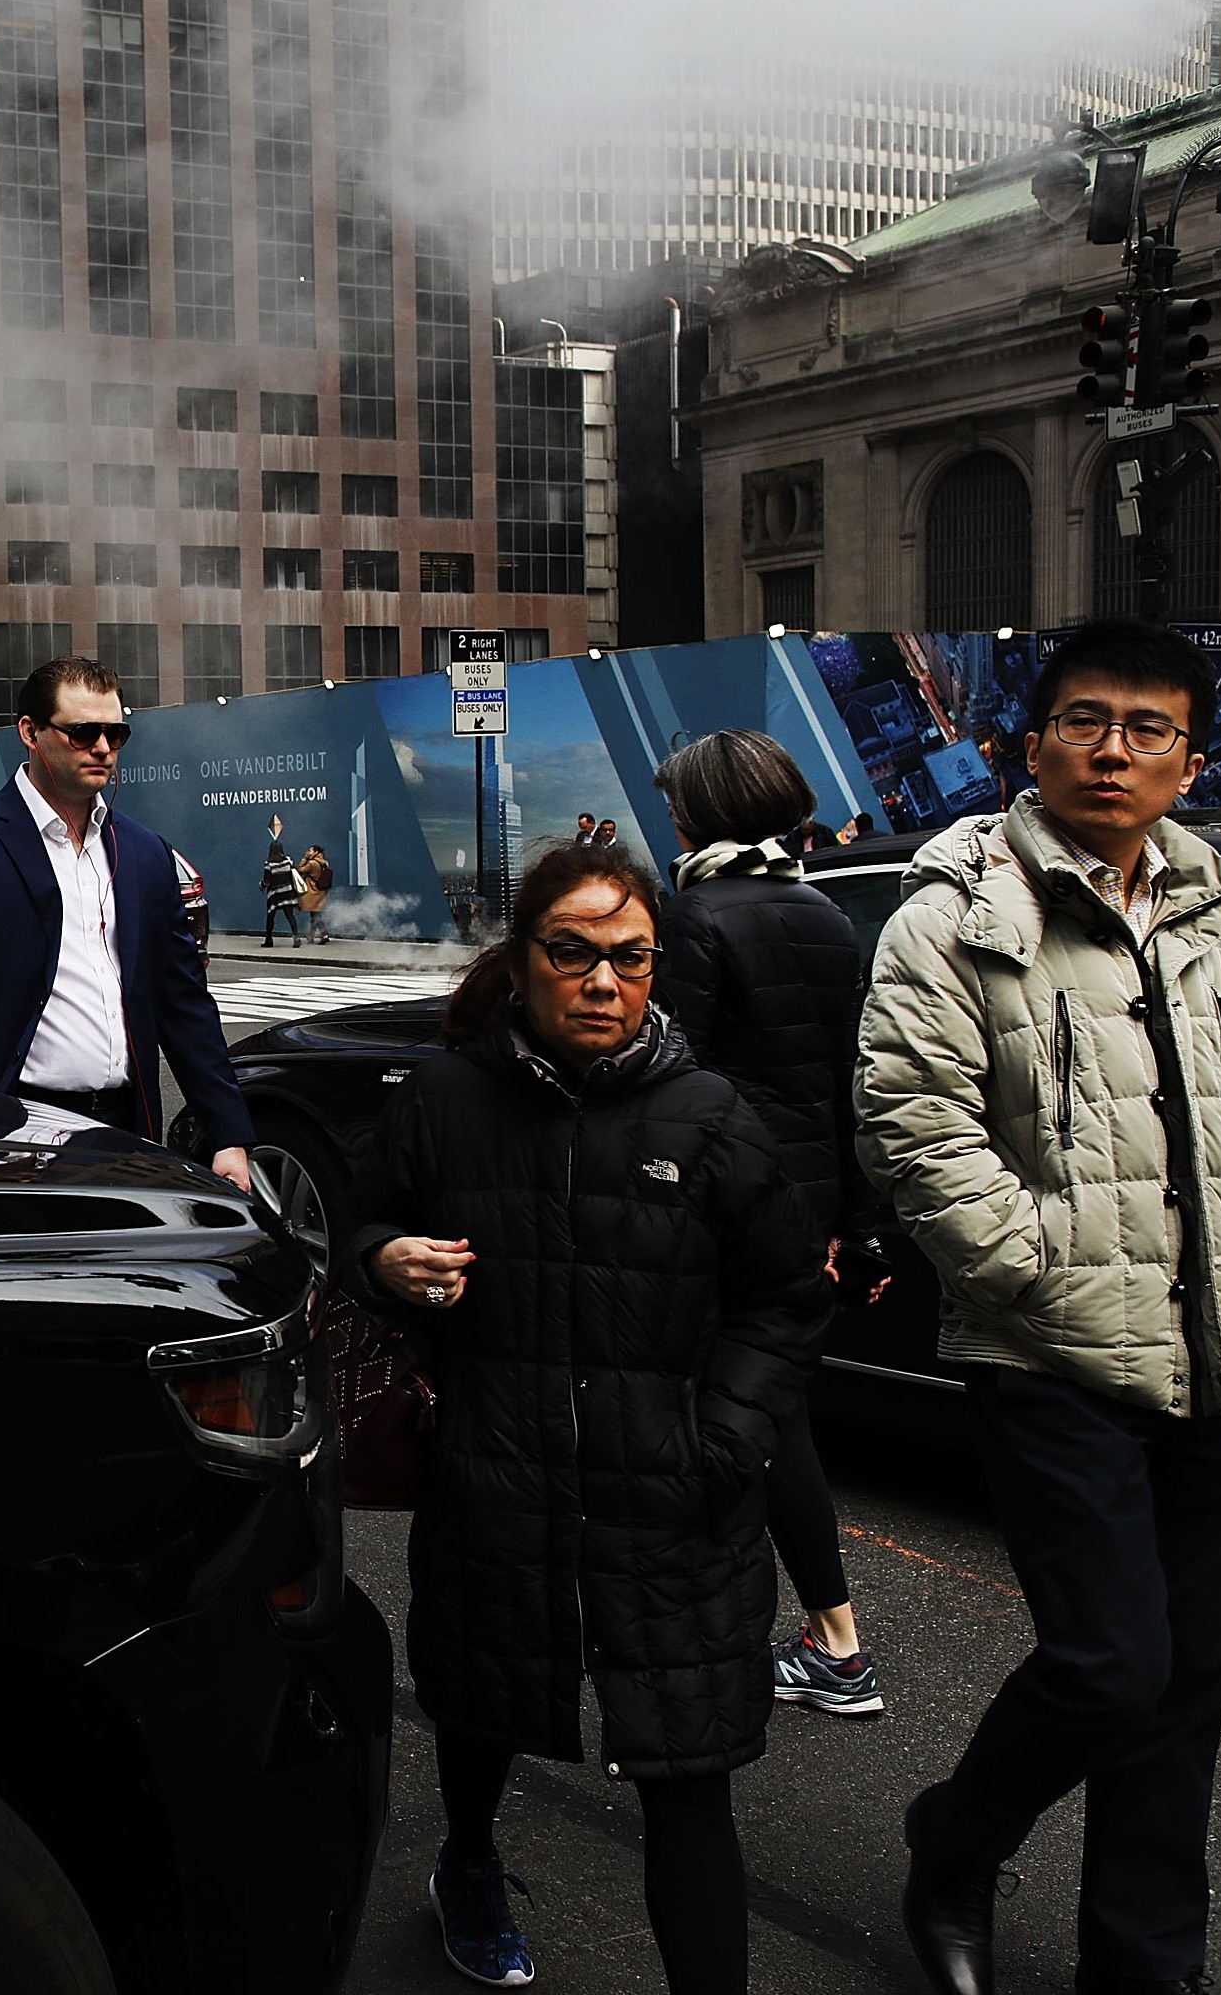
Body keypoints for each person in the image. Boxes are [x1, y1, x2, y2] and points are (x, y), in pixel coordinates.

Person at [346, 840, 829, 1995]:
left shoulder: (710, 1116)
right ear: (522, 963)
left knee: (688, 1771)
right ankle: (467, 1861)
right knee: (479, 1706)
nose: (603, 981)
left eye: (631, 958)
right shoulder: (445, 1099)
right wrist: (384, 1257)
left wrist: (726, 1436)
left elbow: (783, 1298)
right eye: (573, 953)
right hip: (495, 1479)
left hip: (673, 1500)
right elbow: (354, 1227)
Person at [858, 620, 1221, 1995]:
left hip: (1211, 1348)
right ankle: (951, 1842)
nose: (1112, 747)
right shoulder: (950, 912)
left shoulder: (1213, 913)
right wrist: (1035, 1273)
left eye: (1147, 728)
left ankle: (1139, 1973)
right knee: (1108, 1666)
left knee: (1187, 1688)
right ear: (1030, 745)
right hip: (1053, 1350)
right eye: (1085, 718)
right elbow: (911, 1125)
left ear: (1184, 762)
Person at [653, 729, 884, 1719]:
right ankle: (827, 1638)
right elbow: (853, 1085)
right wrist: (857, 1219)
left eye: (676, 803)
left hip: (727, 1210)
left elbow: (678, 1080)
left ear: (701, 813)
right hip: (810, 1207)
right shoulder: (823, 912)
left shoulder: (694, 913)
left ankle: (830, 1643)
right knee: (775, 1412)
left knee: (747, 1419)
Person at [0, 654, 252, 1186]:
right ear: (30, 732)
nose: (102, 748)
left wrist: (228, 1135)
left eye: (115, 733)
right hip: (6, 1130)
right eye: (82, 733)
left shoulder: (146, 853)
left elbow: (183, 1001)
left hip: (127, 1127)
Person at [259, 839, 307, 947]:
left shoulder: (269, 864)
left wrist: (261, 885)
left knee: (270, 917)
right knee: (290, 916)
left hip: (275, 894)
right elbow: (293, 874)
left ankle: (269, 940)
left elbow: (267, 880)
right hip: (288, 892)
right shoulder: (288, 861)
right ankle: (296, 938)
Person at [298, 842, 335, 945]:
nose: (308, 852)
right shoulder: (324, 862)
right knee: (314, 914)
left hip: (313, 891)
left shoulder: (312, 863)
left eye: (310, 850)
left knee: (315, 915)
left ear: (315, 852)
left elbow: (300, 869)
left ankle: (324, 934)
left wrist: (305, 858)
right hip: (321, 892)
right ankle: (311, 936)